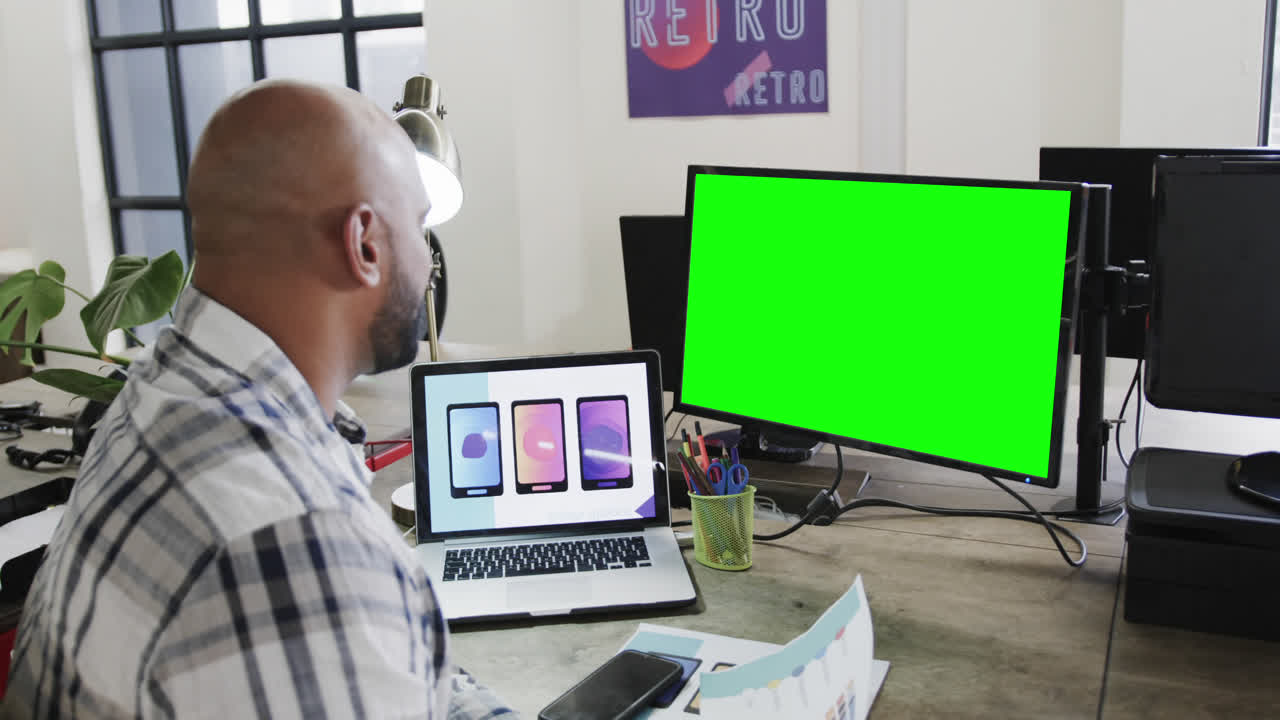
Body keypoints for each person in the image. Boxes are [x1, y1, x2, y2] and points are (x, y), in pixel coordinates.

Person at [2, 80, 515, 719]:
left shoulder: (160, 393)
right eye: (416, 225)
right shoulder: (294, 541)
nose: (430, 262)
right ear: (363, 243)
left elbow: (389, 672)